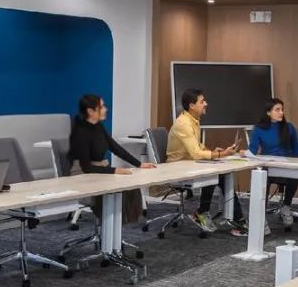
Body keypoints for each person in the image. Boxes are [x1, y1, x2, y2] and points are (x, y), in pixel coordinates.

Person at [166, 88, 246, 236]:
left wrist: (214, 152)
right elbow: (196, 153)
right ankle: (236, 221)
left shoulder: (193, 120)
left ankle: (210, 213)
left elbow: (197, 146)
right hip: (177, 168)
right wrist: (221, 154)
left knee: (220, 173)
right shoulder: (184, 124)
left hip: (189, 163)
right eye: (202, 102)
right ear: (192, 106)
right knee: (217, 174)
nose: (206, 104)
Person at [68, 94, 155, 222]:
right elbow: (86, 168)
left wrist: (139, 164)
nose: (105, 109)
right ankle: (112, 223)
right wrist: (115, 170)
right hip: (82, 173)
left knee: (131, 183)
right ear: (91, 111)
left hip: (98, 170)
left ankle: (122, 222)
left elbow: (115, 147)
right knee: (118, 187)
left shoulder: (98, 126)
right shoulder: (81, 132)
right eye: (102, 107)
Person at [249, 98, 298, 229]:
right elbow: (253, 150)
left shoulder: (288, 127)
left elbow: (296, 147)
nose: (281, 112)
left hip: (288, 165)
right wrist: (244, 153)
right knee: (261, 175)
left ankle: (286, 206)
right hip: (270, 166)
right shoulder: (258, 129)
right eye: (277, 110)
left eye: (282, 109)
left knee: (295, 175)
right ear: (268, 112)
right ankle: (261, 216)